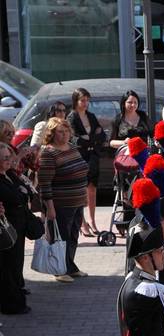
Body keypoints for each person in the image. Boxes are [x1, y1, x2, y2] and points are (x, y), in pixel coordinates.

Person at [37, 116, 88, 283]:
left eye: (66, 131)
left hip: (77, 200)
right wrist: (49, 208)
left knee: (73, 235)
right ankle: (59, 269)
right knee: (60, 237)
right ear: (52, 134)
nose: (64, 134)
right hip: (60, 203)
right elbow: (45, 184)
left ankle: (70, 266)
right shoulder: (49, 153)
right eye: (60, 131)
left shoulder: (72, 147)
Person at [66, 87, 106, 237]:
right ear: (76, 101)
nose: (85, 103)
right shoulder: (72, 117)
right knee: (81, 189)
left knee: (92, 189)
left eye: (87, 100)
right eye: (82, 100)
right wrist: (89, 139)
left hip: (93, 157)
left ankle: (92, 221)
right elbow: (74, 139)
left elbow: (101, 134)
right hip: (80, 157)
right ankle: (82, 223)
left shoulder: (91, 116)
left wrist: (90, 139)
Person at [0, 145, 32, 314]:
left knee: (16, 264)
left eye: (9, 157)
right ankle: (11, 304)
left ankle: (18, 300)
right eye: (5, 158)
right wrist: (20, 194)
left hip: (18, 226)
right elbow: (14, 197)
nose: (8, 160)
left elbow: (26, 193)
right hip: (6, 227)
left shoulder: (11, 174)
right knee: (8, 266)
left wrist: (21, 194)